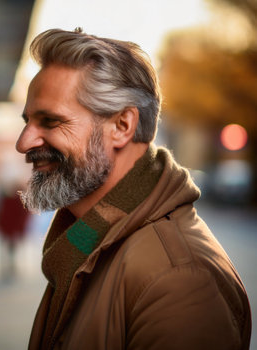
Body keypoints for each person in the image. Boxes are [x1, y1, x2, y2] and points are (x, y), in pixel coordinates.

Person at [15, 28, 251, 350]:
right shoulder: (85, 236)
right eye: (27, 121)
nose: (23, 142)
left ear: (122, 126)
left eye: (51, 121)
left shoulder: (179, 279)